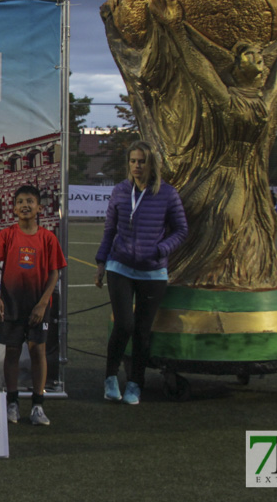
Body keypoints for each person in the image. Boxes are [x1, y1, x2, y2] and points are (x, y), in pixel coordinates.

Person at [95, 141, 188, 405]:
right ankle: (111, 378)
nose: (136, 166)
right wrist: (101, 262)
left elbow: (181, 230)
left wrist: (161, 249)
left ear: (151, 164)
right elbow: (109, 230)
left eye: (141, 161)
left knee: (142, 331)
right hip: (119, 266)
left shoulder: (168, 194)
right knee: (125, 324)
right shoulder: (120, 191)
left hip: (152, 272)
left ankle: (136, 383)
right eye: (133, 161)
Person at [0, 186, 66, 425]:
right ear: (13, 208)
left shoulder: (48, 238)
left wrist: (43, 303)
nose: (25, 205)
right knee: (11, 351)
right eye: (20, 201)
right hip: (11, 303)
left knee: (37, 351)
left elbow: (54, 273)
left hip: (36, 305)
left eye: (30, 201)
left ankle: (38, 406)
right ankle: (12, 403)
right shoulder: (6, 235)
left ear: (39, 208)